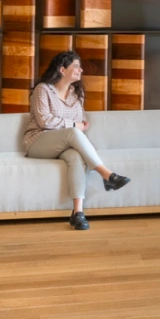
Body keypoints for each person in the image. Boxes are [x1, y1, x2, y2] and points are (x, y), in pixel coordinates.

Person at [23, 51, 131, 230]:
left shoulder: (76, 93)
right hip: (38, 141)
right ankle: (106, 174)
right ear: (62, 70)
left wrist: (75, 126)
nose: (80, 70)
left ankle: (78, 213)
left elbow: (82, 121)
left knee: (76, 157)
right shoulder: (43, 90)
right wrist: (73, 125)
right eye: (76, 66)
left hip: (63, 143)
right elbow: (44, 121)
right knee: (72, 131)